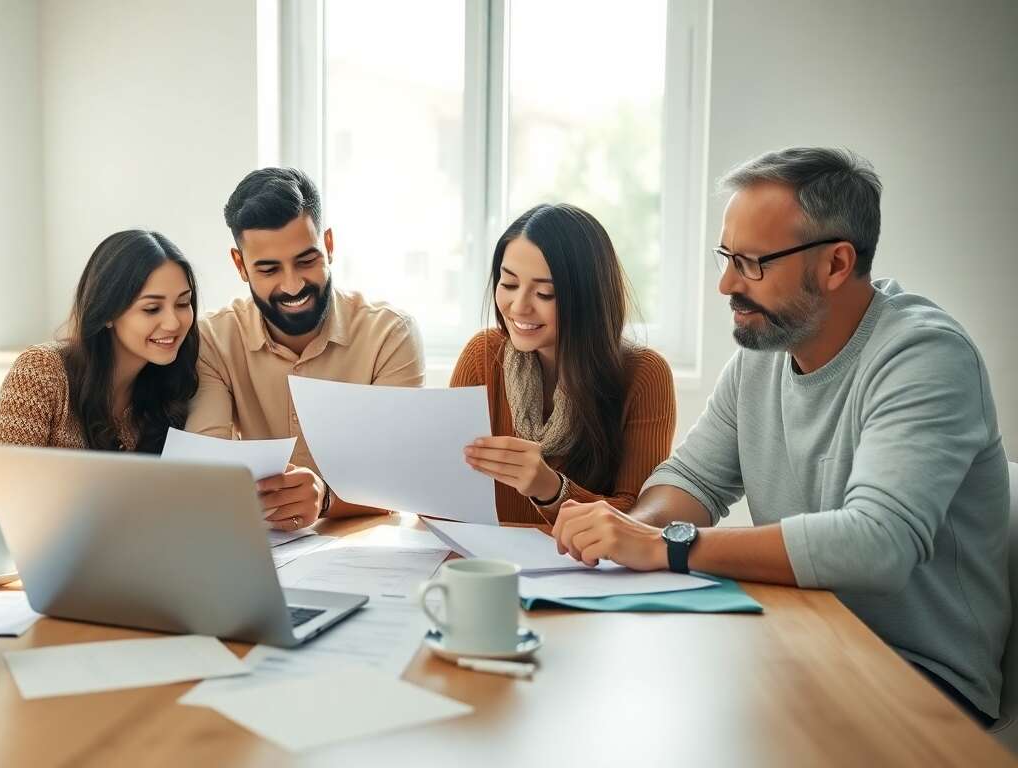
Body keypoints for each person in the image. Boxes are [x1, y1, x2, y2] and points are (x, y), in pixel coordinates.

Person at [549, 147, 1010, 726]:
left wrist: (667, 547)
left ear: (836, 265)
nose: (725, 284)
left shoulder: (926, 357)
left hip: (921, 679)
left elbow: (879, 544)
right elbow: (692, 478)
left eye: (751, 263)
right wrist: (632, 533)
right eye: (726, 257)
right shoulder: (768, 349)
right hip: (803, 634)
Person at [186, 167, 425, 531]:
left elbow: (400, 480)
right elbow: (210, 475)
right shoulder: (213, 340)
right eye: (268, 269)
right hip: (269, 549)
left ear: (328, 245)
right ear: (240, 265)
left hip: (367, 547)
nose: (293, 284)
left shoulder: (390, 334)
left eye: (306, 260)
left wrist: (325, 498)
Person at [452, 203, 675, 524]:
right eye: (509, 284)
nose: (518, 307)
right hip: (485, 563)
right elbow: (447, 490)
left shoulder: (643, 375)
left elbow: (641, 520)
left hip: (583, 570)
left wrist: (552, 489)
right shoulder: (483, 356)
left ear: (588, 299)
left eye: (544, 293)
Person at [0, 230, 198, 501]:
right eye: (152, 309)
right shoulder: (42, 371)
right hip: (47, 542)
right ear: (107, 313)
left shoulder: (177, 379)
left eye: (183, 303)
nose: (174, 323)